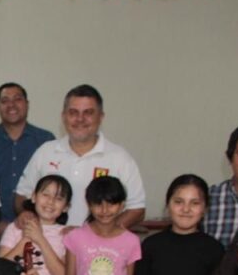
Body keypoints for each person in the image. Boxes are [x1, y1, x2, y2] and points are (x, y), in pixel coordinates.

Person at [14, 84, 145, 228]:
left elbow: (137, 209)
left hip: (97, 242)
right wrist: (27, 213)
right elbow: (22, 195)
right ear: (63, 116)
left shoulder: (120, 158)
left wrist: (94, 234)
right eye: (73, 112)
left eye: (88, 113)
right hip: (45, 240)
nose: (80, 119)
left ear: (101, 117)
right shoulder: (45, 152)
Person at [126, 175, 224, 275]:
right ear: (168, 205)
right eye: (178, 202)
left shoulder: (214, 249)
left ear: (205, 208)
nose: (186, 209)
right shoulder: (151, 245)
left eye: (195, 203)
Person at [0, 82, 55, 223]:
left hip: (36, 225)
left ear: (27, 104)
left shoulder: (45, 140)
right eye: (5, 101)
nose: (11, 105)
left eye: (17, 99)